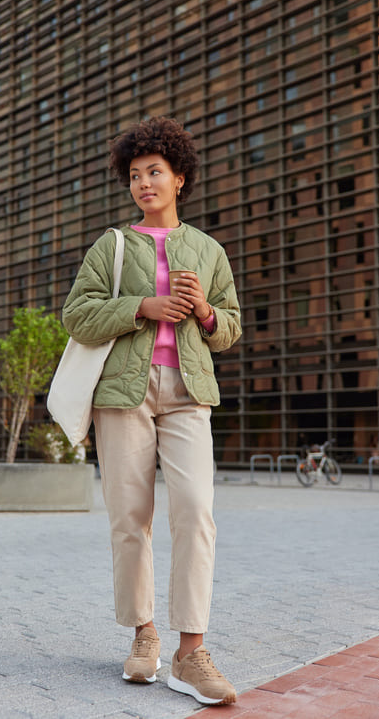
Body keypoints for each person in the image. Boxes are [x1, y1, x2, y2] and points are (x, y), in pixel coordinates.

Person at [62, 116, 242, 706]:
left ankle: (192, 653)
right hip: (123, 393)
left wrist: (206, 314)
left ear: (179, 178)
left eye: (155, 172)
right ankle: (144, 636)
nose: (144, 183)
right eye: (135, 175)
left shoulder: (209, 250)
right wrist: (143, 303)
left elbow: (231, 327)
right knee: (129, 518)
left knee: (195, 513)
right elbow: (77, 315)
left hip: (188, 391)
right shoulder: (111, 245)